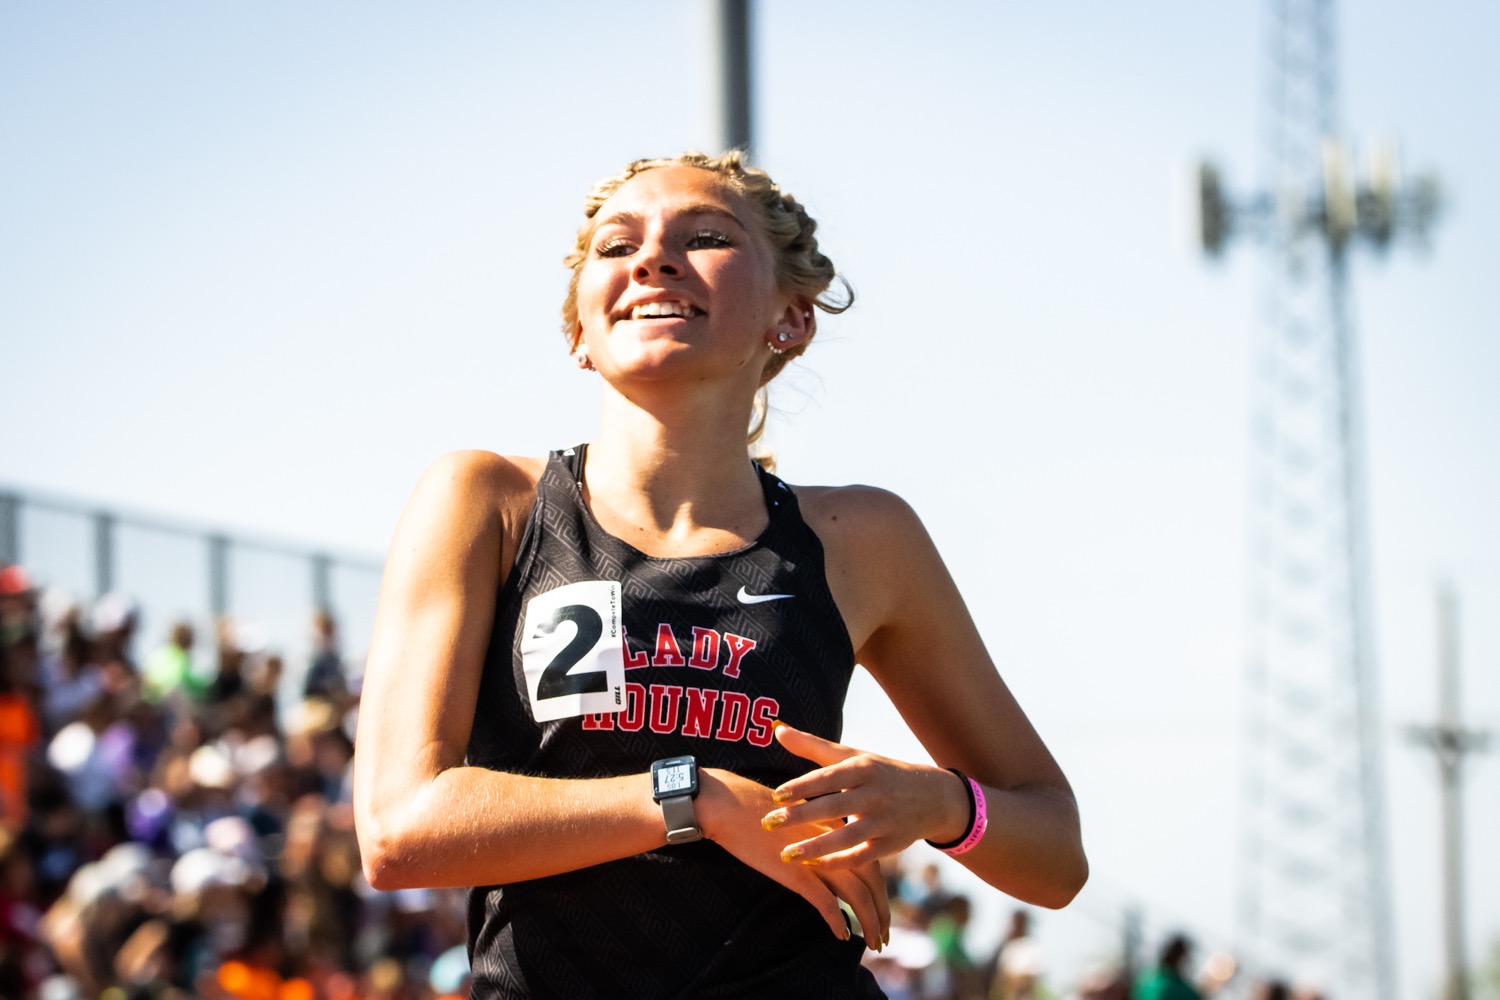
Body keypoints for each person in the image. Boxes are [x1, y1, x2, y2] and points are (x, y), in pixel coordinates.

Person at [352, 151, 1087, 999]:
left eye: (704, 237)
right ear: (578, 332)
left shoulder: (861, 538)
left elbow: (1055, 856)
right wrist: (694, 797)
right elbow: (399, 830)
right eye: (618, 245)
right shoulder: (489, 501)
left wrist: (940, 806)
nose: (653, 260)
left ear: (792, 318)